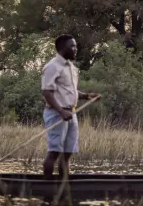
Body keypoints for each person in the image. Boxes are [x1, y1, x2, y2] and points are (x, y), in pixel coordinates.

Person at [41, 34, 99, 180]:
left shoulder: (71, 67)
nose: (75, 49)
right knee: (54, 152)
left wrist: (86, 96)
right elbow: (47, 92)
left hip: (71, 113)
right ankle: (46, 188)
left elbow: (69, 91)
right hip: (57, 114)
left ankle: (64, 186)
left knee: (67, 154)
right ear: (61, 48)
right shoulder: (52, 66)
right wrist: (61, 111)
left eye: (75, 46)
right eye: (71, 46)